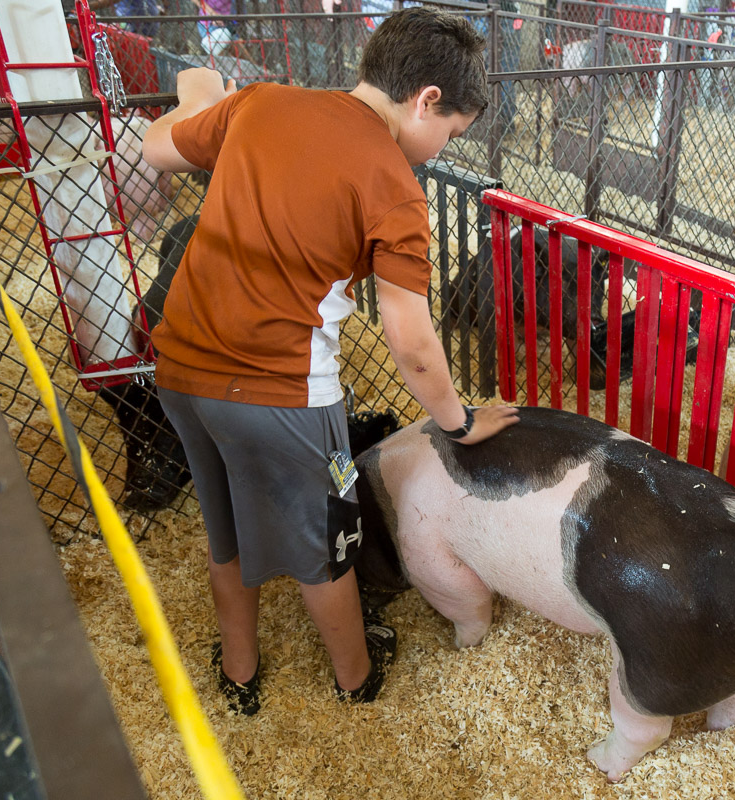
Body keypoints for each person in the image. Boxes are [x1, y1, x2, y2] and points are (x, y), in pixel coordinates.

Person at [141, 6, 519, 715]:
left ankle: (240, 671)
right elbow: (409, 340)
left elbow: (157, 148)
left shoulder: (262, 102)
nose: (439, 148)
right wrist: (458, 420)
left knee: (222, 527)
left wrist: (198, 98)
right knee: (325, 543)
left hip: (182, 367)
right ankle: (357, 678)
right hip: (282, 389)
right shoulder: (395, 185)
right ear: (426, 99)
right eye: (450, 132)